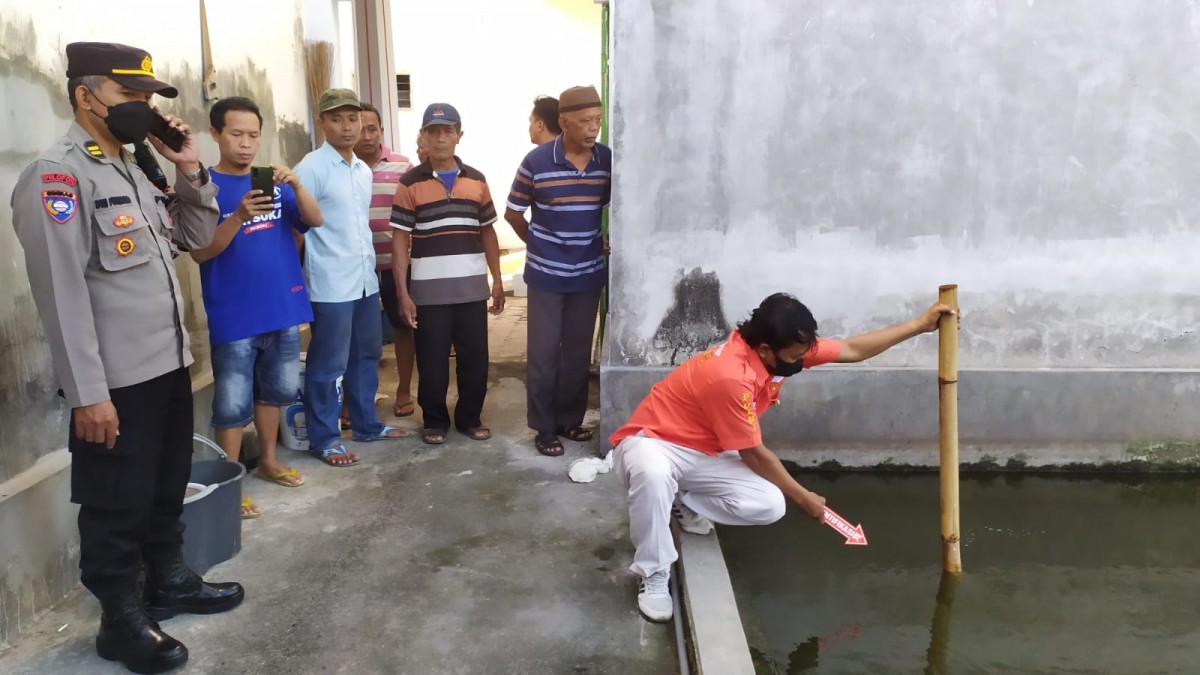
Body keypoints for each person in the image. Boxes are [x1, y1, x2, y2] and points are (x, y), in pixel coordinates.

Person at [9, 42, 243, 673]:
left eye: (148, 99)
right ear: (87, 97)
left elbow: (196, 244)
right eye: (130, 96)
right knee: (116, 502)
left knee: (166, 485)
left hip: (166, 362)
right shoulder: (58, 178)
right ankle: (120, 619)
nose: (143, 109)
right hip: (113, 381)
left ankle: (166, 580)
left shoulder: (138, 170)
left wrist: (191, 170)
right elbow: (61, 297)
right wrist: (88, 394)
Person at [609, 293, 957, 622]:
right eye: (793, 357)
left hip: (705, 452)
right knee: (654, 475)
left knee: (768, 505)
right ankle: (653, 571)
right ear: (764, 349)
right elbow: (755, 455)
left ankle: (681, 500)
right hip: (654, 444)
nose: (800, 361)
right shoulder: (730, 376)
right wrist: (805, 498)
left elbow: (852, 349)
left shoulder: (784, 347)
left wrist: (918, 325)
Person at [190, 96, 323, 517]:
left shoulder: (277, 184)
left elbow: (315, 221)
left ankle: (268, 461)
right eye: (236, 134)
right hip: (234, 315)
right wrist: (237, 216)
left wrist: (297, 184)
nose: (246, 144)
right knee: (231, 406)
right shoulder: (203, 188)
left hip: (283, 309)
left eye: (253, 135)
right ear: (215, 134)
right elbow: (200, 252)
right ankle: (231, 484)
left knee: (275, 394)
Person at [294, 88, 408, 467]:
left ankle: (366, 424)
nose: (347, 127)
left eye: (353, 118)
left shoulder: (361, 169)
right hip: (330, 283)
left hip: (364, 279)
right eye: (337, 119)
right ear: (322, 123)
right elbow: (295, 227)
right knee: (329, 363)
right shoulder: (311, 168)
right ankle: (325, 438)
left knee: (367, 355)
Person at [504, 86, 611, 456]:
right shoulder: (536, 161)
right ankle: (544, 427)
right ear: (563, 122)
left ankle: (570, 420)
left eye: (597, 120)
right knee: (544, 352)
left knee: (577, 353)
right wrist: (538, 243)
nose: (593, 128)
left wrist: (605, 240)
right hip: (547, 274)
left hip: (588, 273)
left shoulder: (607, 161)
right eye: (584, 121)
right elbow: (513, 213)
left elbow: (617, 207)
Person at [390, 103, 504, 445]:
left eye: (448, 131)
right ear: (423, 136)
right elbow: (399, 241)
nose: (440, 138)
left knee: (475, 361)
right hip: (428, 294)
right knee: (433, 362)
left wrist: (497, 279)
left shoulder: (477, 181)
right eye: (433, 131)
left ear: (459, 136)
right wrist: (402, 292)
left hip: (471, 291)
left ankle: (470, 418)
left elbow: (487, 232)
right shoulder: (409, 183)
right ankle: (435, 421)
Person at [353, 102, 416, 419]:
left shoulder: (402, 166)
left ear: (381, 131)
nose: (366, 136)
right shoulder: (342, 166)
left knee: (403, 326)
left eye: (372, 128)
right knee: (356, 334)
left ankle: (404, 390)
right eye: (360, 128)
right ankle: (353, 399)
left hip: (395, 263)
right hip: (354, 265)